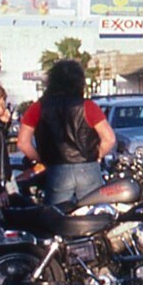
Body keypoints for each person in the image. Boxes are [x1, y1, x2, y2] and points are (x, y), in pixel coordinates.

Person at [17, 59, 116, 208]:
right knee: (94, 215)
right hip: (87, 167)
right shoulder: (88, 106)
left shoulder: (37, 107)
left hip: (57, 169)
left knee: (58, 218)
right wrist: (97, 155)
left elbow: (23, 143)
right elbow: (109, 138)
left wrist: (41, 159)